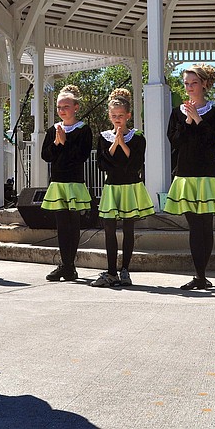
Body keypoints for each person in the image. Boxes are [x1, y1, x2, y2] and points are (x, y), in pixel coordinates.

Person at [164, 64, 215, 290]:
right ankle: (199, 275)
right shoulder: (176, 113)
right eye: (186, 83)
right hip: (186, 174)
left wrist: (198, 120)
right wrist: (189, 120)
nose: (189, 87)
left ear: (204, 84)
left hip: (208, 174)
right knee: (193, 226)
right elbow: (176, 142)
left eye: (193, 83)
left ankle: (202, 275)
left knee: (205, 225)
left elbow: (213, 141)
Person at [91, 88, 155, 288]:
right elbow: (103, 165)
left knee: (128, 228)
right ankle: (111, 272)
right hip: (112, 186)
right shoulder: (103, 137)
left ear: (128, 115)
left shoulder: (137, 138)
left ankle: (125, 270)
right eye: (113, 116)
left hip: (130, 186)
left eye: (120, 115)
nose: (117, 119)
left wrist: (122, 144)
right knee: (109, 229)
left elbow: (134, 165)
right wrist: (114, 144)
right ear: (109, 116)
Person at [41, 84, 93, 282]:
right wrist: (56, 143)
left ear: (76, 107)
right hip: (58, 183)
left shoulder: (83, 130)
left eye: (66, 106)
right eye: (59, 107)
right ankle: (66, 265)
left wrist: (65, 142)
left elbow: (80, 156)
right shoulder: (52, 130)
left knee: (73, 224)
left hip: (74, 183)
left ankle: (70, 265)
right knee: (61, 225)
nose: (62, 111)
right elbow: (46, 156)